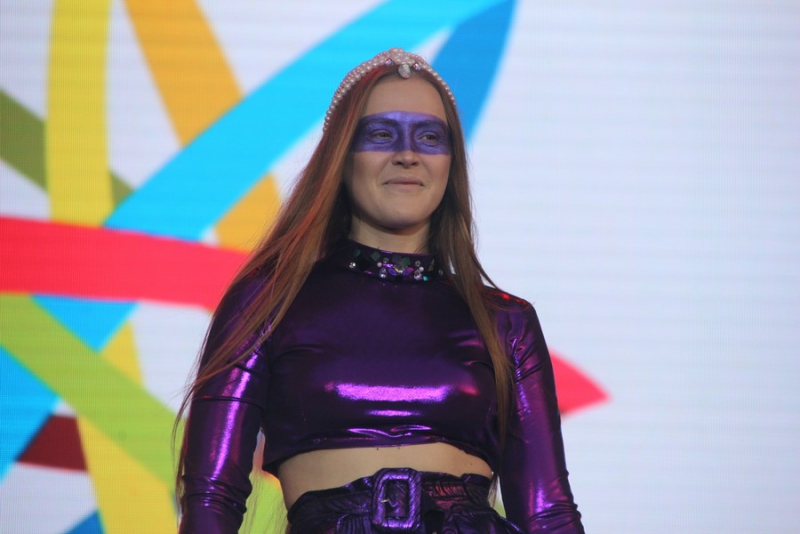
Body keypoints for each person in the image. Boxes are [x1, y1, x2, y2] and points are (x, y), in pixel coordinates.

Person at [176, 48, 585, 533]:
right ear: (341, 157)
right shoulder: (270, 300)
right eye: (381, 134)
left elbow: (547, 513)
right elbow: (211, 496)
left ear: (451, 164)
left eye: (429, 137)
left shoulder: (505, 322)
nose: (408, 154)